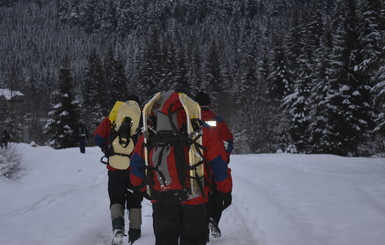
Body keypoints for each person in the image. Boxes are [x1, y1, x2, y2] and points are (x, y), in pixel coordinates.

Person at [129, 90, 233, 245]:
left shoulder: (150, 134)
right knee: (194, 240)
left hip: (162, 198)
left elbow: (136, 163)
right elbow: (219, 163)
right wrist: (225, 190)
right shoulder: (202, 131)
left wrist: (141, 188)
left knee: (165, 240)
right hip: (195, 197)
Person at [94, 95, 143, 245]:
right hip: (135, 169)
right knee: (135, 201)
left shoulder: (113, 118)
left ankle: (118, 228)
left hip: (115, 168)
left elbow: (98, 137)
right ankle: (135, 235)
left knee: (116, 199)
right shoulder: (142, 119)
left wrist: (108, 151)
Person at [194, 91, 234, 239]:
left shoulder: (190, 120)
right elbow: (228, 141)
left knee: (199, 197)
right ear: (209, 104)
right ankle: (213, 219)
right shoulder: (217, 119)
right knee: (217, 195)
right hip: (215, 163)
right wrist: (225, 156)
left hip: (195, 165)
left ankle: (202, 226)